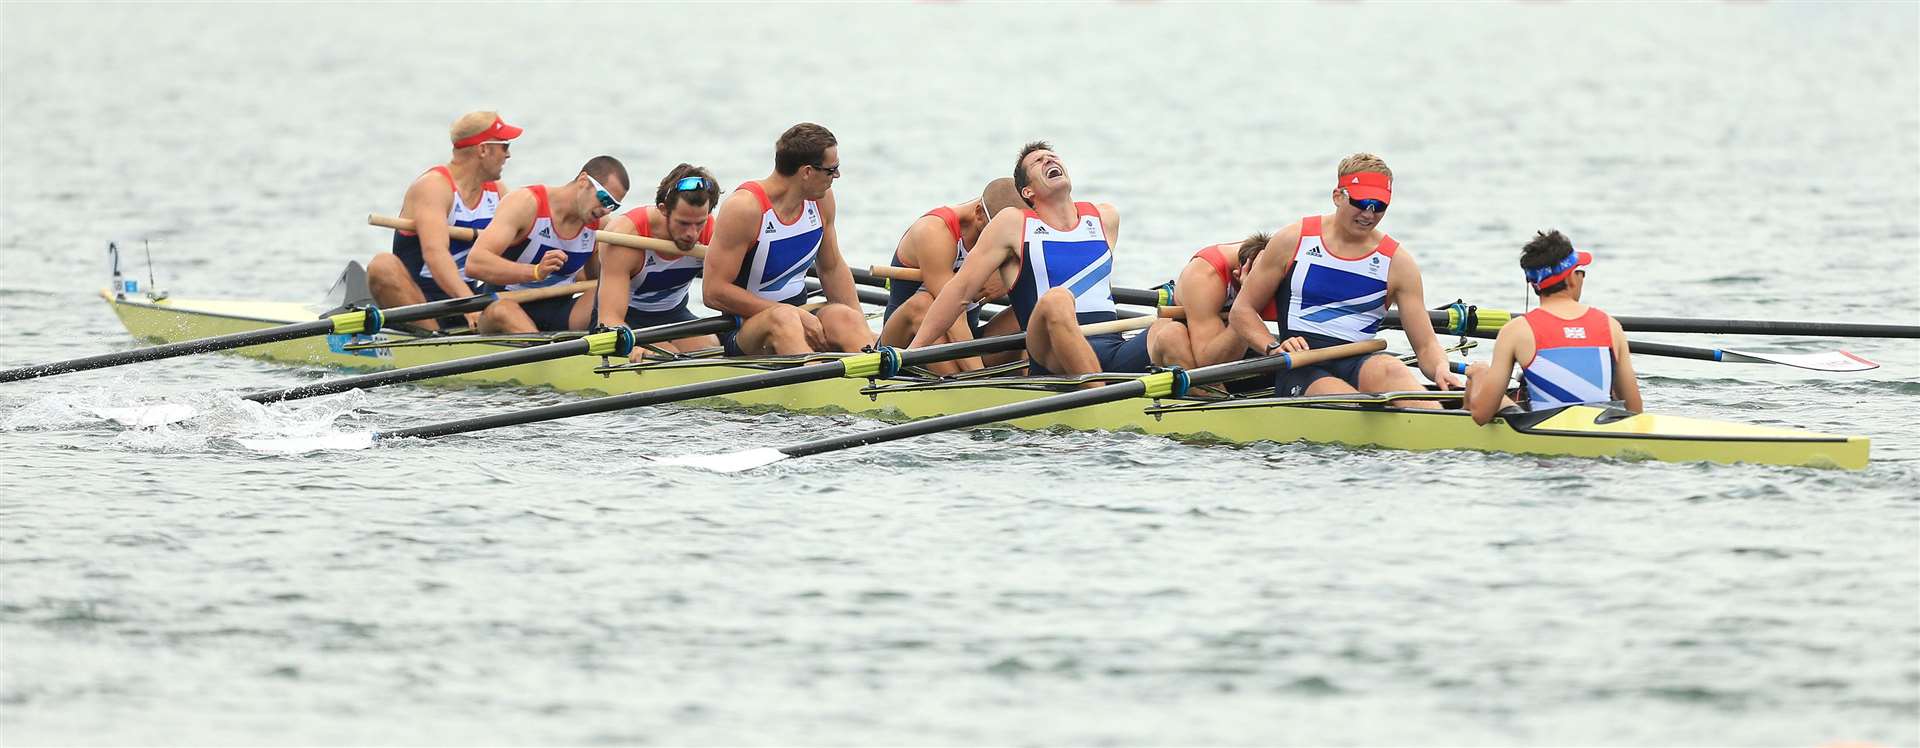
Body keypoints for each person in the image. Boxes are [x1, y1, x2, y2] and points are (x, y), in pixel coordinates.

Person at [1230, 152, 1462, 405]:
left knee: (1392, 368)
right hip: (1301, 365)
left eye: (1379, 206)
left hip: (1359, 360)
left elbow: (1426, 344)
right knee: (1345, 400)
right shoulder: (1293, 241)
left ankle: (1435, 419)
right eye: (1362, 203)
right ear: (1338, 196)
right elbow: (1242, 311)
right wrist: (1273, 347)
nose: (1369, 214)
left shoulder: (1398, 264)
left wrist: (1440, 367)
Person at [907, 141, 1151, 379]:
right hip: (1052, 356)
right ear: (1027, 191)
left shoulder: (1105, 217)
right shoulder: (1013, 224)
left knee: (1169, 330)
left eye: (1052, 156)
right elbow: (958, 292)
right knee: (1057, 299)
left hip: (1111, 344)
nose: (1049, 159)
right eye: (1038, 161)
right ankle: (1101, 402)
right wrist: (912, 352)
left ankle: (1184, 396)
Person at [701, 123, 870, 355]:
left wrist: (860, 325)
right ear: (807, 172)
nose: (837, 175)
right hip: (746, 328)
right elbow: (713, 291)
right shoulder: (745, 208)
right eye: (832, 170)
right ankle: (817, 384)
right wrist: (794, 314)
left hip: (800, 313)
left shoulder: (821, 199)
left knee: (845, 317)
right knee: (784, 317)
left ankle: (872, 372)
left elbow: (831, 268)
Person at [1466, 230, 1641, 424]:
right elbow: (1635, 411)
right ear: (1571, 278)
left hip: (1543, 434)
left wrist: (1479, 374)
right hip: (1603, 430)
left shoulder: (1516, 331)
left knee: (1484, 382)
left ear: (1533, 285)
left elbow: (1481, 415)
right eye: (1580, 271)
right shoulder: (1611, 326)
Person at [366, 111, 520, 331]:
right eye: (504, 146)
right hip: (418, 301)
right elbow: (435, 254)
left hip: (466, 297)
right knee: (382, 265)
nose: (509, 155)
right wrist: (471, 306)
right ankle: (432, 341)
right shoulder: (434, 187)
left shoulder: (497, 192)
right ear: (483, 149)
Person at [462, 156, 629, 333]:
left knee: (608, 297)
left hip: (559, 311)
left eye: (613, 206)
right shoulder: (525, 204)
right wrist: (535, 272)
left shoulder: (600, 226)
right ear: (583, 180)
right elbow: (475, 263)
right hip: (504, 305)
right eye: (604, 199)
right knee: (503, 310)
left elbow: (598, 280)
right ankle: (544, 352)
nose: (605, 209)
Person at [876, 177, 1025, 373]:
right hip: (904, 346)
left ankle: (1037, 380)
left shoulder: (1018, 230)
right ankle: (973, 386)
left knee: (1033, 309)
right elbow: (954, 313)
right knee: (925, 303)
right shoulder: (934, 231)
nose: (1008, 240)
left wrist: (1005, 280)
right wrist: (979, 376)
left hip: (965, 342)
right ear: (979, 214)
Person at [588, 163, 724, 357]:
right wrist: (634, 345)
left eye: (699, 223)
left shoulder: (713, 233)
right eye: (683, 223)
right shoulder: (625, 236)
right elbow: (609, 317)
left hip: (674, 315)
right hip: (624, 320)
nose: (692, 234)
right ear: (664, 209)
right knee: (666, 354)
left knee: (713, 351)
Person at [1147, 233, 1279, 370]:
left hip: (1228, 343)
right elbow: (1209, 362)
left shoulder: (1279, 260)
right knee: (1172, 335)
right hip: (1167, 352)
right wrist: (1247, 299)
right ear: (1238, 273)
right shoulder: (1204, 276)